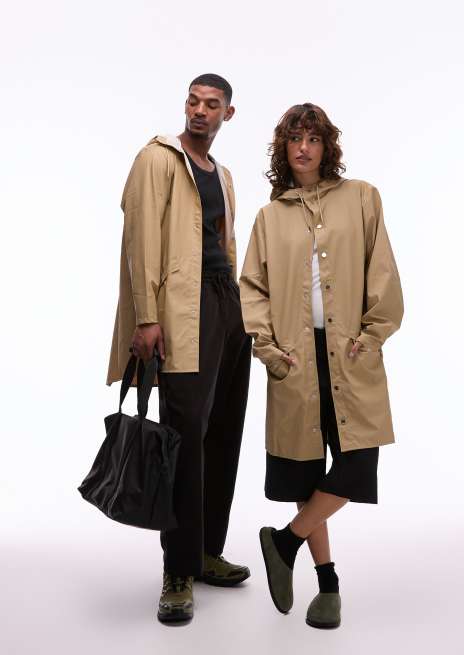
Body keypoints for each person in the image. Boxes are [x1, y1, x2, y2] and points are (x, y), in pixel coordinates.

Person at [239, 103, 404, 629]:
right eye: (295, 139)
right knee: (305, 477)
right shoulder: (269, 218)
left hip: (350, 354)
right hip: (294, 358)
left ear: (327, 146)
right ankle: (327, 584)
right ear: (283, 149)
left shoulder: (362, 197)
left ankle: (283, 543)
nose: (304, 148)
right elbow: (253, 288)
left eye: (313, 138)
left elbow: (382, 269)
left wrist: (372, 335)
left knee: (357, 464)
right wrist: (269, 350)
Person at [107, 74, 252, 624]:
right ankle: (176, 571)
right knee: (184, 437)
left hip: (227, 305)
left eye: (212, 104)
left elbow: (224, 247)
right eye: (193, 101)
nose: (200, 111)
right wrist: (147, 316)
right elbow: (140, 240)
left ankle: (206, 551)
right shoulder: (158, 159)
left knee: (223, 432)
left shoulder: (223, 174)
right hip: (182, 312)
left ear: (227, 114)